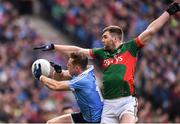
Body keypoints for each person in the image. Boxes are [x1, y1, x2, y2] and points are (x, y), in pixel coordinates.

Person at [34, 2, 180, 123]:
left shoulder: (130, 47)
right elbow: (78, 50)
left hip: (126, 101)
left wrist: (168, 12)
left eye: (105, 37)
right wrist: (54, 47)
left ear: (116, 38)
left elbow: (150, 31)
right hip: (109, 104)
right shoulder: (101, 53)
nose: (102, 40)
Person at [32, 52, 103, 123]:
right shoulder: (82, 71)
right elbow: (59, 78)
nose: (67, 65)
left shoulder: (82, 80)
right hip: (86, 116)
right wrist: (58, 72)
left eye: (69, 65)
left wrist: (40, 77)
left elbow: (56, 86)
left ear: (77, 68)